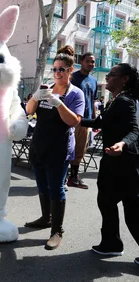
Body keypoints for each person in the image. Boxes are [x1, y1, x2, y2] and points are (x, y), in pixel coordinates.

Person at [25, 45, 85, 250]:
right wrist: (35, 97)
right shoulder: (46, 88)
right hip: (39, 145)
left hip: (59, 149)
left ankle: (57, 230)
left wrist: (58, 103)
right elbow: (29, 111)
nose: (57, 73)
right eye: (55, 69)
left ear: (70, 70)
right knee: (42, 186)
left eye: (62, 69)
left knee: (56, 188)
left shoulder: (76, 94)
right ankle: (45, 218)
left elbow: (74, 121)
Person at [81, 63, 139, 266]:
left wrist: (122, 144)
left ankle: (112, 243)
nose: (108, 77)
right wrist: (76, 120)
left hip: (124, 162)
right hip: (112, 161)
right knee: (107, 202)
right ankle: (111, 243)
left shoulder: (125, 101)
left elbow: (134, 130)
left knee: (131, 209)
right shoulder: (115, 101)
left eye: (112, 75)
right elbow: (100, 124)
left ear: (124, 79)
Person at [67, 52, 98, 189]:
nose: (91, 64)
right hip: (72, 120)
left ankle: (73, 178)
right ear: (81, 62)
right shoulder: (72, 78)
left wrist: (94, 119)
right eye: (88, 61)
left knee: (80, 150)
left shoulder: (94, 80)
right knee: (67, 149)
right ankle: (62, 177)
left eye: (93, 62)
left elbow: (92, 100)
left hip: (86, 122)